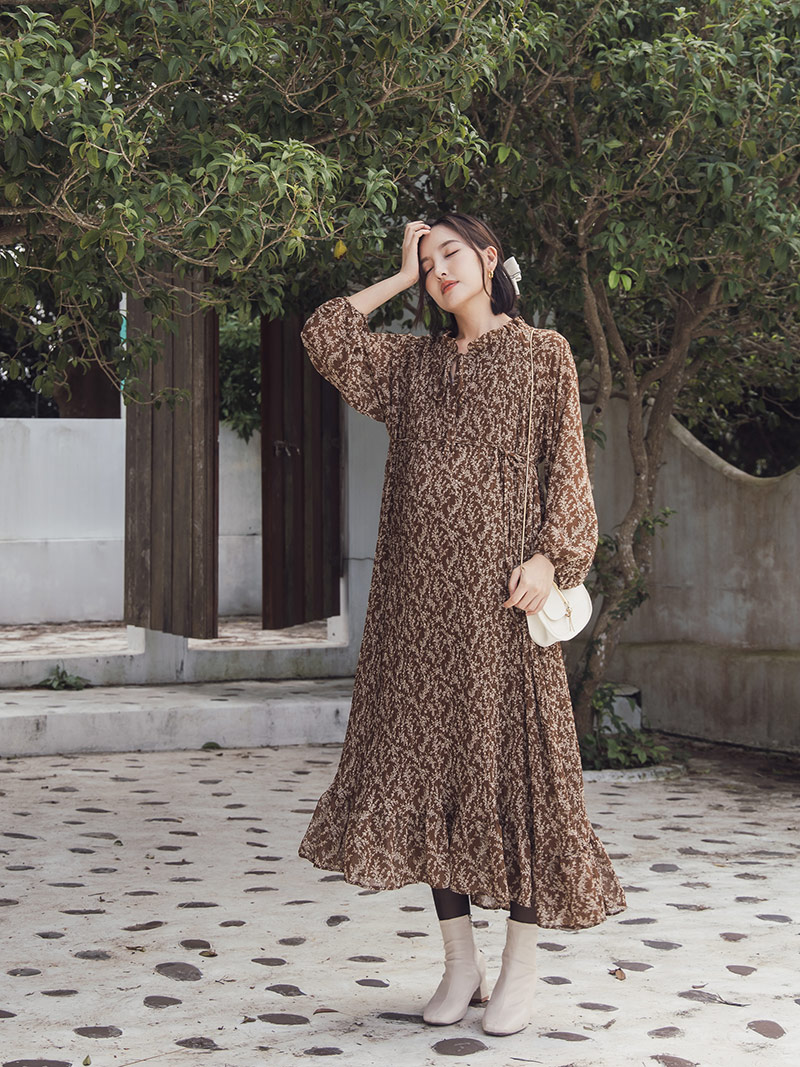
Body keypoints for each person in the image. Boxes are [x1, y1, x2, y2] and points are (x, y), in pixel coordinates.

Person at [298, 214, 626, 1037]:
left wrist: (551, 557)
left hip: (503, 611)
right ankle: (459, 963)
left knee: (518, 779)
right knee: (430, 779)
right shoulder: (410, 366)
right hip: (416, 614)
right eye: (427, 259)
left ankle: (521, 967)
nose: (439, 268)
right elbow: (326, 333)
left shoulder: (544, 354)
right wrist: (398, 276)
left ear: (488, 258)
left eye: (450, 253)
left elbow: (569, 474)